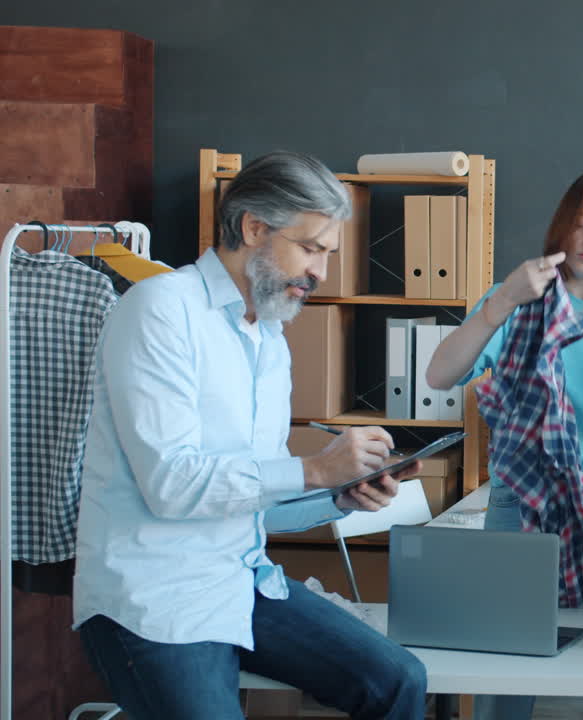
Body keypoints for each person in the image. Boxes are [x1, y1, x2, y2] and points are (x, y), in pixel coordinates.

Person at [73, 151, 428, 720]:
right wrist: (315, 468)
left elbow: (253, 498)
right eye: (311, 248)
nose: (321, 273)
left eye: (329, 254)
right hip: (155, 598)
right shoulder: (160, 309)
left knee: (399, 680)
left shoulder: (268, 337)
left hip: (240, 582)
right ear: (253, 227)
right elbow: (172, 485)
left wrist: (339, 493)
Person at [426, 167, 583, 720]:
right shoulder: (516, 299)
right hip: (520, 498)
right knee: (506, 670)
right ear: (563, 228)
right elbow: (439, 376)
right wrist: (502, 302)